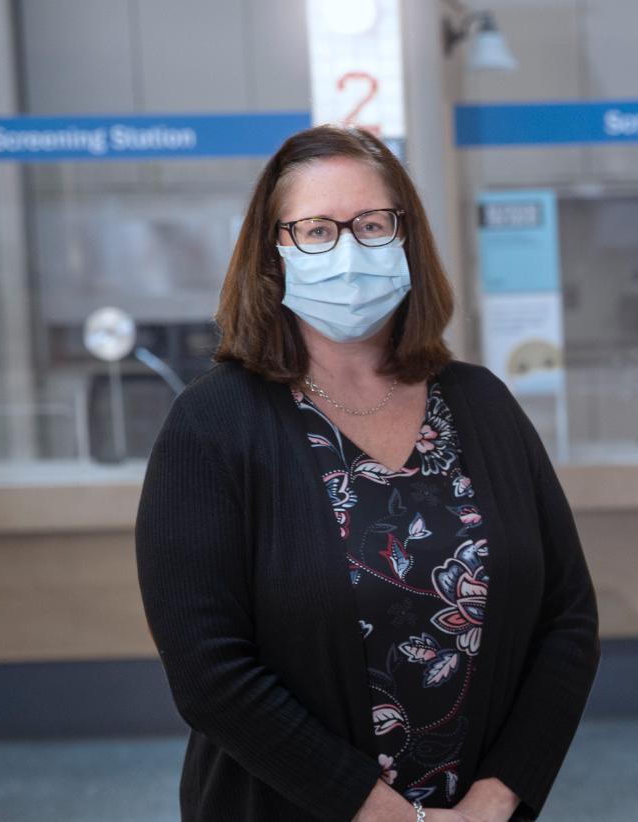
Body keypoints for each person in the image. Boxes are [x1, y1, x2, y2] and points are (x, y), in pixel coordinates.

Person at [136, 125, 599, 822]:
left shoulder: (481, 403)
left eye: (373, 224)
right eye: (316, 230)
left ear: (406, 236)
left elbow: (567, 621)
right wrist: (383, 813)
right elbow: (210, 676)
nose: (349, 250)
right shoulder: (212, 425)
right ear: (273, 252)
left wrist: (497, 798)